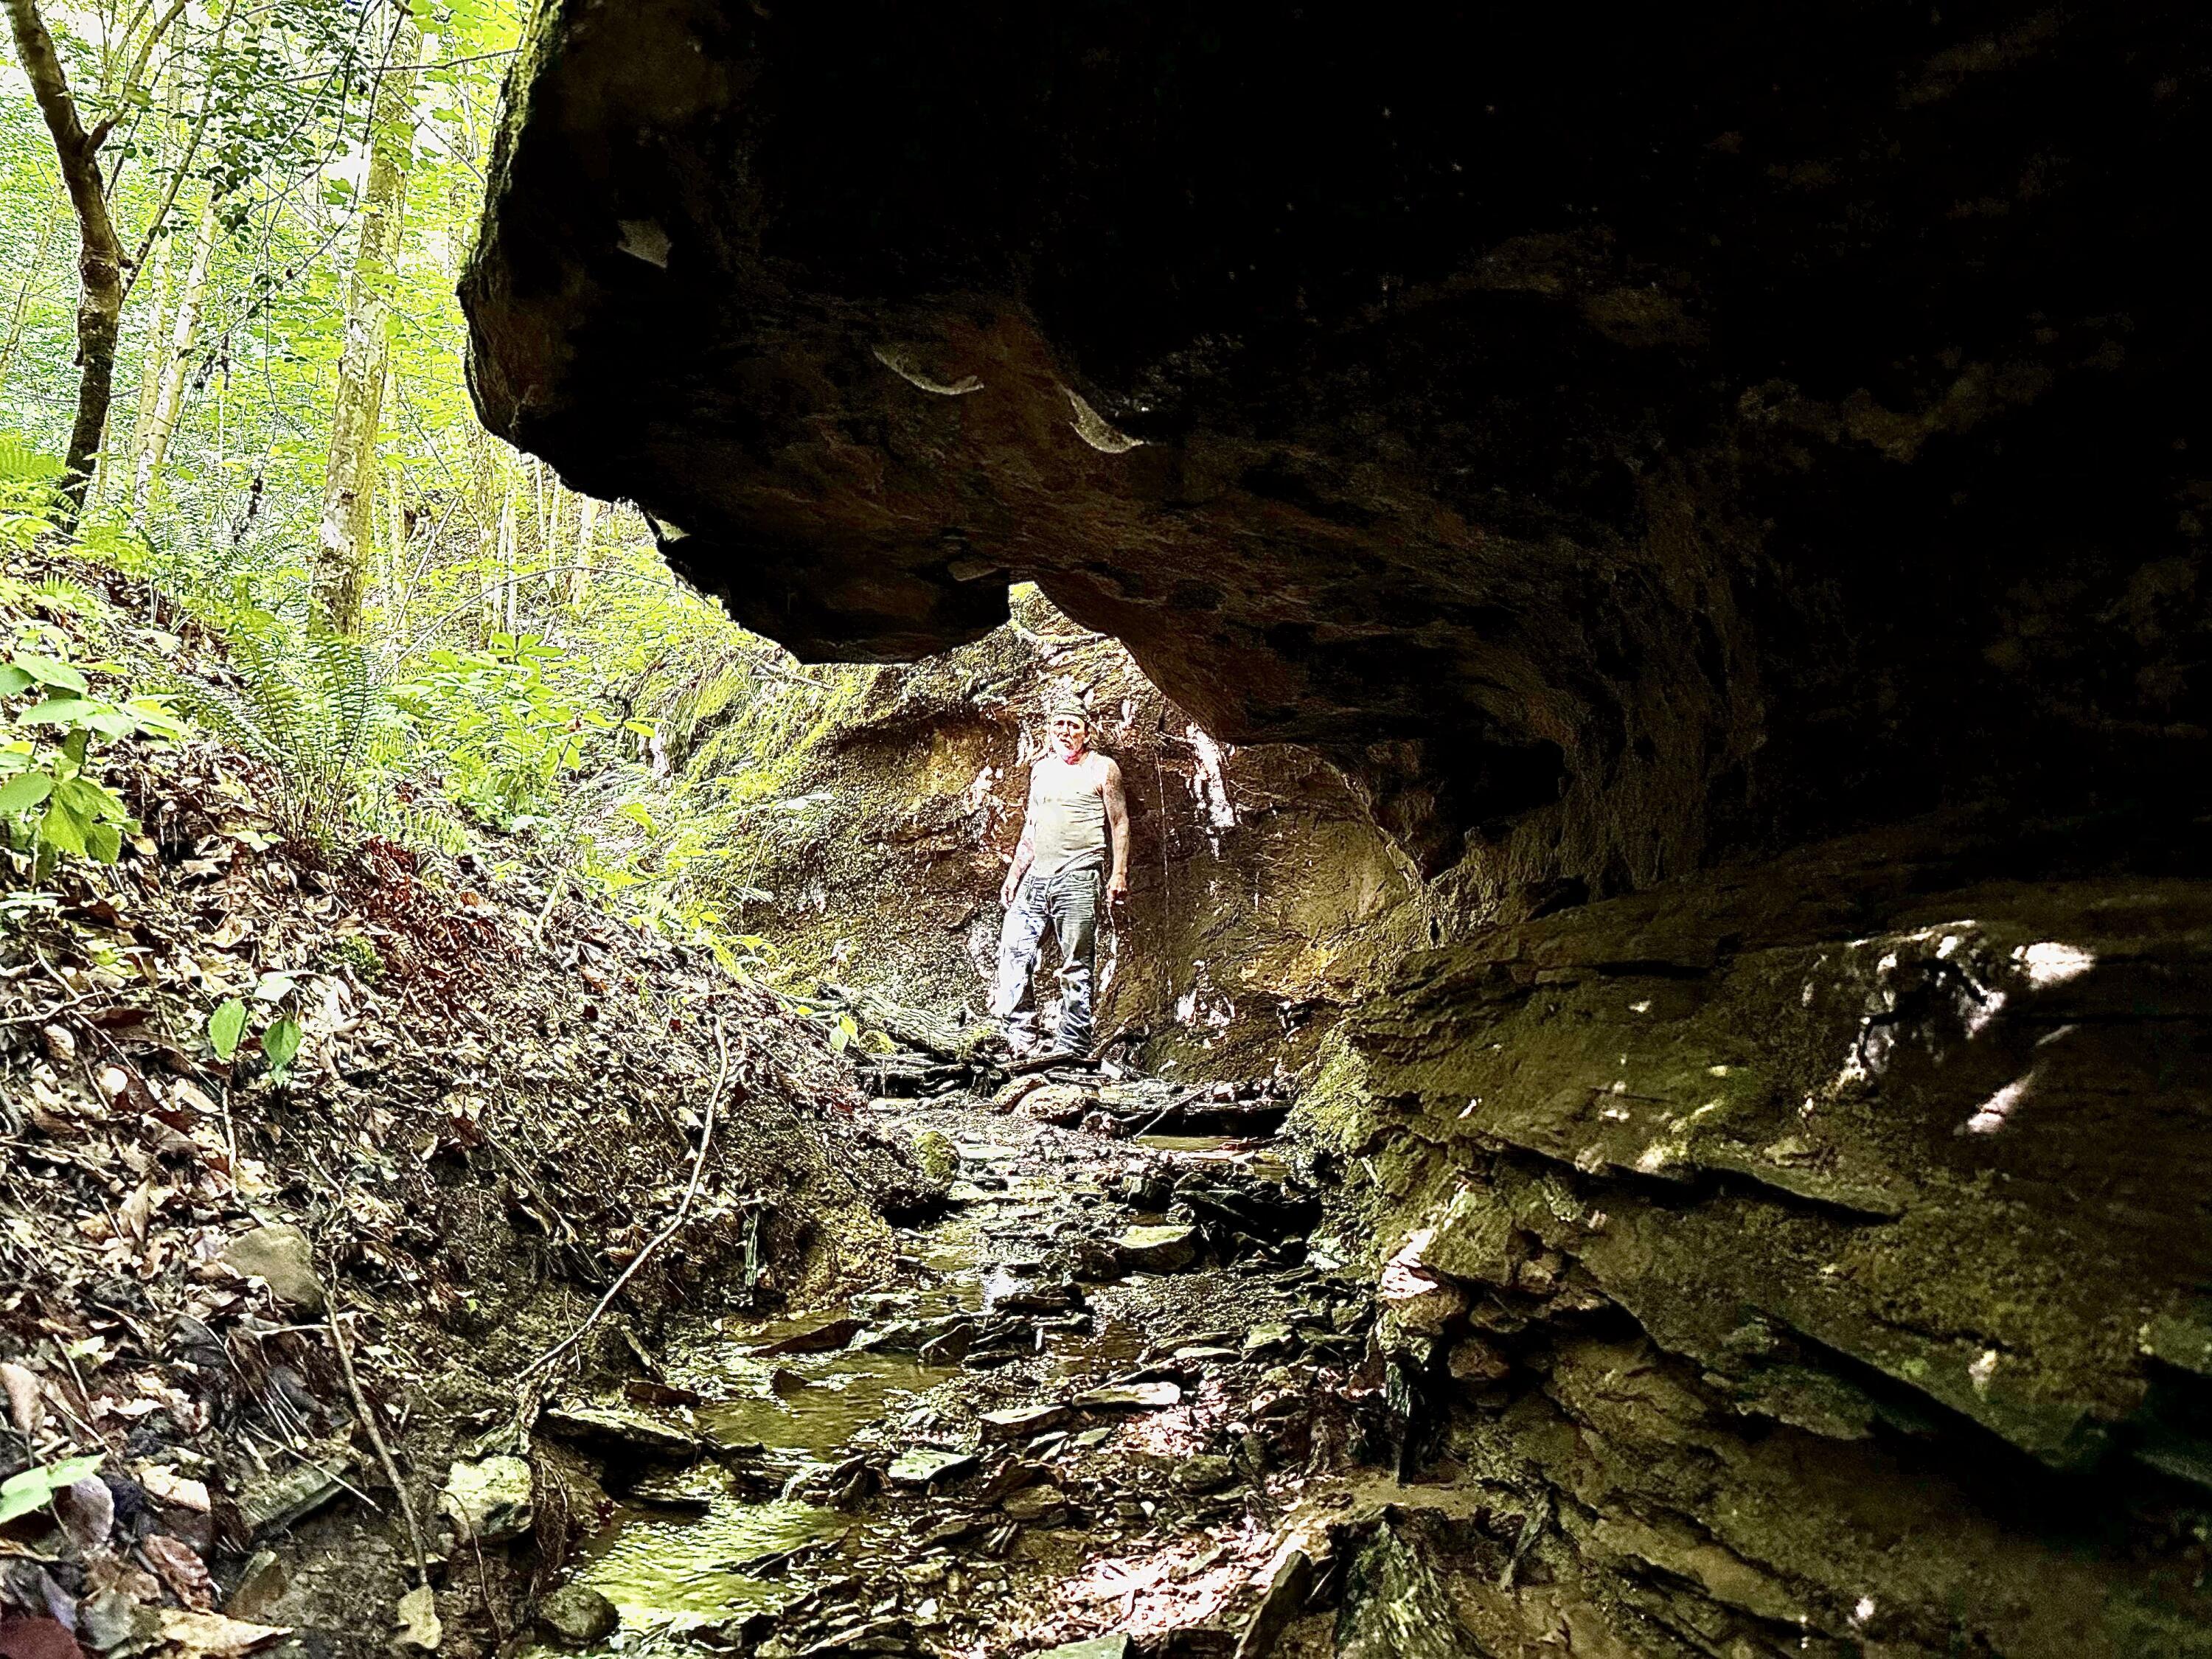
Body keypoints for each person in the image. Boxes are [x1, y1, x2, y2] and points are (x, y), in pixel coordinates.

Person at [991, 696, 1130, 1059]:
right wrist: (1014, 875)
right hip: (1038, 875)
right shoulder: (1041, 770)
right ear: (1050, 730)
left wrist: (1118, 873)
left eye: (1073, 726)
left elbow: (1119, 822)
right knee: (1014, 948)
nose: (1065, 732)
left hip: (1080, 875)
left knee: (1076, 963)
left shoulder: (1103, 769)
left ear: (1086, 733)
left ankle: (1073, 1046)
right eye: (1059, 725)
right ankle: (1020, 1035)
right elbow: (1031, 828)